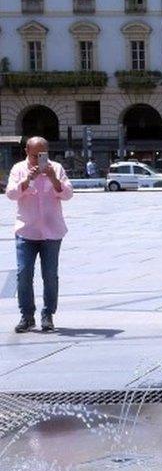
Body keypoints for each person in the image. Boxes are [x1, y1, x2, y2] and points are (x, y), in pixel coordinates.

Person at [6, 137, 73, 333]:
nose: (38, 160)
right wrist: (27, 180)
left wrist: (53, 178)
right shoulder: (18, 169)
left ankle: (48, 315)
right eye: (35, 155)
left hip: (52, 232)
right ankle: (27, 316)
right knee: (24, 273)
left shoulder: (56, 168)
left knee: (50, 275)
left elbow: (68, 194)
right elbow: (10, 194)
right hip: (26, 230)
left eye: (43, 155)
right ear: (26, 150)